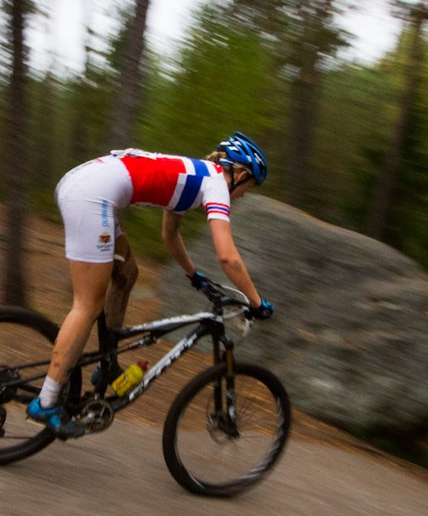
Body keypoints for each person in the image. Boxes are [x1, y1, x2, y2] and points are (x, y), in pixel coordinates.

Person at [26, 131, 274, 432]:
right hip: (90, 197)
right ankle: (47, 400)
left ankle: (107, 363)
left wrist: (194, 276)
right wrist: (256, 302)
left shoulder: (194, 175)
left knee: (127, 275)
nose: (241, 196)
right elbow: (228, 257)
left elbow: (169, 235)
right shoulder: (217, 185)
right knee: (87, 305)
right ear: (240, 175)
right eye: (246, 190)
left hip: (87, 186)